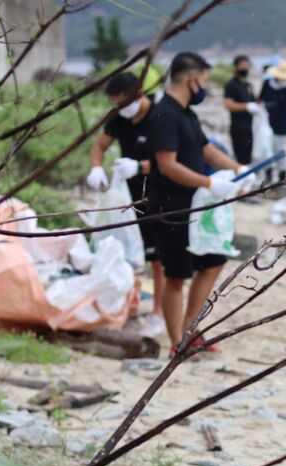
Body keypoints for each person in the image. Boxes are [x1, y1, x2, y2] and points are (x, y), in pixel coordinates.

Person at [147, 52, 248, 352]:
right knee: (176, 275)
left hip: (196, 207)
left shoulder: (187, 113)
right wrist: (209, 182)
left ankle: (191, 329)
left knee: (214, 261)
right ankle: (177, 342)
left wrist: (237, 169)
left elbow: (205, 150)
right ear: (191, 79)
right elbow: (167, 165)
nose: (204, 86)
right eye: (203, 79)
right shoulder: (164, 113)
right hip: (171, 207)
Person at [87, 71, 165, 338]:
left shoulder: (160, 116)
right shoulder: (119, 118)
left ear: (139, 94)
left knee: (157, 256)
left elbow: (173, 160)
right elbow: (99, 145)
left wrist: (141, 166)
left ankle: (158, 313)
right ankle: (130, 307)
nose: (121, 108)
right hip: (126, 195)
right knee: (126, 250)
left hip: (158, 191)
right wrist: (96, 168)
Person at [259, 59, 286, 183]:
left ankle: (282, 176)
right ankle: (268, 174)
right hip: (267, 121)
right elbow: (260, 100)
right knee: (266, 149)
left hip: (283, 123)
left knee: (281, 150)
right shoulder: (267, 83)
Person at [223, 55, 258, 166]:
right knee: (240, 158)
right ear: (236, 67)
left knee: (248, 156)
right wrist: (246, 107)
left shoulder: (248, 85)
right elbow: (228, 105)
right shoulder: (231, 85)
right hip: (238, 127)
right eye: (243, 66)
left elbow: (255, 101)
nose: (245, 69)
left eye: (247, 66)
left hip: (249, 126)